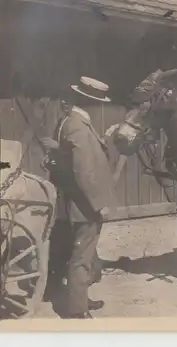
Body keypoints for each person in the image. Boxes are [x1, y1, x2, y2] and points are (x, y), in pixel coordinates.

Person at [42, 77, 118, 318]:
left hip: (72, 203)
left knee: (77, 254)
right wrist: (99, 205)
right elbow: (83, 170)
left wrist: (103, 141)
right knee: (81, 258)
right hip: (84, 206)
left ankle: (80, 299)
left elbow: (72, 156)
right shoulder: (78, 125)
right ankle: (77, 311)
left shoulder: (70, 121)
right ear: (90, 101)